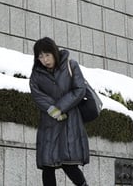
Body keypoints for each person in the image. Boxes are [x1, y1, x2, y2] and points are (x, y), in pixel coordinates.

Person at [30, 37, 90, 186]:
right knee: (47, 165)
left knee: (68, 163)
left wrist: (60, 107)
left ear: (55, 52)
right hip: (49, 122)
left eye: (47, 55)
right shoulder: (37, 73)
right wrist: (52, 109)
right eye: (41, 56)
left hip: (69, 121)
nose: (44, 60)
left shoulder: (71, 65)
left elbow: (80, 89)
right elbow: (36, 94)